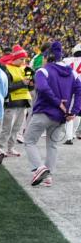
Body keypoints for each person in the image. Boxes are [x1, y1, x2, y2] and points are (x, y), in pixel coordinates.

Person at [22, 42, 81, 188]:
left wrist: (57, 102)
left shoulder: (43, 71)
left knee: (29, 141)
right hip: (61, 116)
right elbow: (79, 91)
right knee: (53, 145)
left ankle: (40, 167)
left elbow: (42, 88)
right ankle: (49, 176)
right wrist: (73, 110)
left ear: (48, 56)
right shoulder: (72, 73)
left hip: (44, 112)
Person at [0, 45, 31, 157]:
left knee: (17, 128)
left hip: (23, 101)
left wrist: (31, 83)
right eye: (21, 59)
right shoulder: (6, 68)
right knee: (7, 127)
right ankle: (1, 148)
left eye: (25, 59)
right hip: (11, 102)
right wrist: (23, 83)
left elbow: (31, 86)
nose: (24, 61)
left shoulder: (26, 68)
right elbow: (7, 87)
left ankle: (11, 148)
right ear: (15, 58)